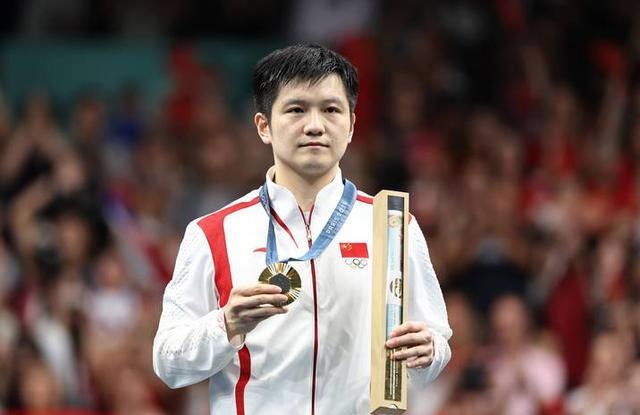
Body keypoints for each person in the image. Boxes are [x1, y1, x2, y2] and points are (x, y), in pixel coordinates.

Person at [152, 44, 452, 415]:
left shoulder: (393, 226)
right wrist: (225, 324)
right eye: (296, 109)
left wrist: (429, 351)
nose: (315, 126)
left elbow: (436, 343)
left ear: (351, 125)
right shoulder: (213, 232)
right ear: (264, 126)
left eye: (331, 110)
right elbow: (167, 362)